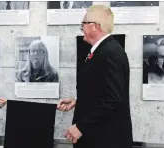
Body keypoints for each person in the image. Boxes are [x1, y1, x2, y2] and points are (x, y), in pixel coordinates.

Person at [57, 5, 133, 148]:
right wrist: (79, 101)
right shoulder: (103, 51)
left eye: (83, 24)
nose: (81, 28)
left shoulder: (110, 53)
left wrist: (81, 127)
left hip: (104, 140)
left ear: (95, 26)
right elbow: (102, 92)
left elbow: (112, 99)